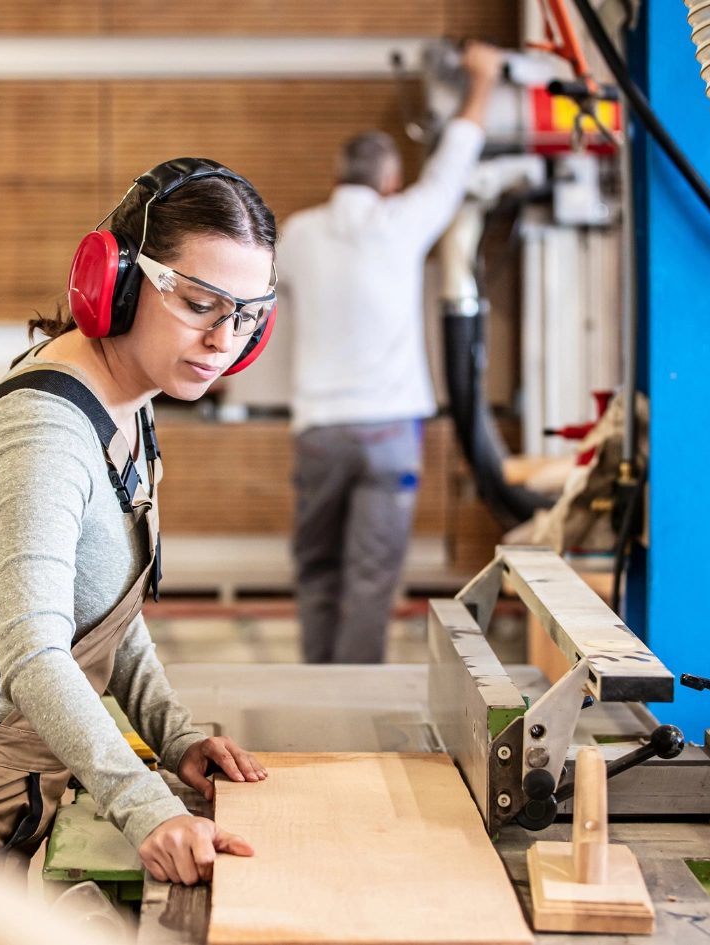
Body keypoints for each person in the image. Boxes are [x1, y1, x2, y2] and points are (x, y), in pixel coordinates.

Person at [0, 159, 278, 885]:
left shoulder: (130, 399)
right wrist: (147, 806)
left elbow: (97, 607)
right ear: (121, 282)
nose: (224, 340)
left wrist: (175, 734)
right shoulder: (47, 435)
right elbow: (35, 654)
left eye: (248, 315)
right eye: (200, 303)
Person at [279, 42, 501, 664]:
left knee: (317, 570)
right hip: (389, 434)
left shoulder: (296, 234)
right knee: (371, 581)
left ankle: (317, 696)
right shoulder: (404, 220)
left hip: (319, 432)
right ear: (390, 180)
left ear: (336, 178)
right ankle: (354, 706)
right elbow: (458, 156)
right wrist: (482, 79)